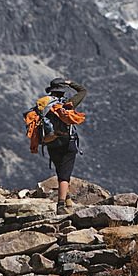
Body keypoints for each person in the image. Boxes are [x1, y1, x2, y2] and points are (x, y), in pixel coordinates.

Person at [32, 78, 87, 214]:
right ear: (63, 91)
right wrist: (71, 83)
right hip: (68, 142)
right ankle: (60, 205)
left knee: (60, 171)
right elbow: (83, 91)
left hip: (51, 142)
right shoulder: (67, 104)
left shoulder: (43, 105)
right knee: (64, 176)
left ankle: (67, 201)